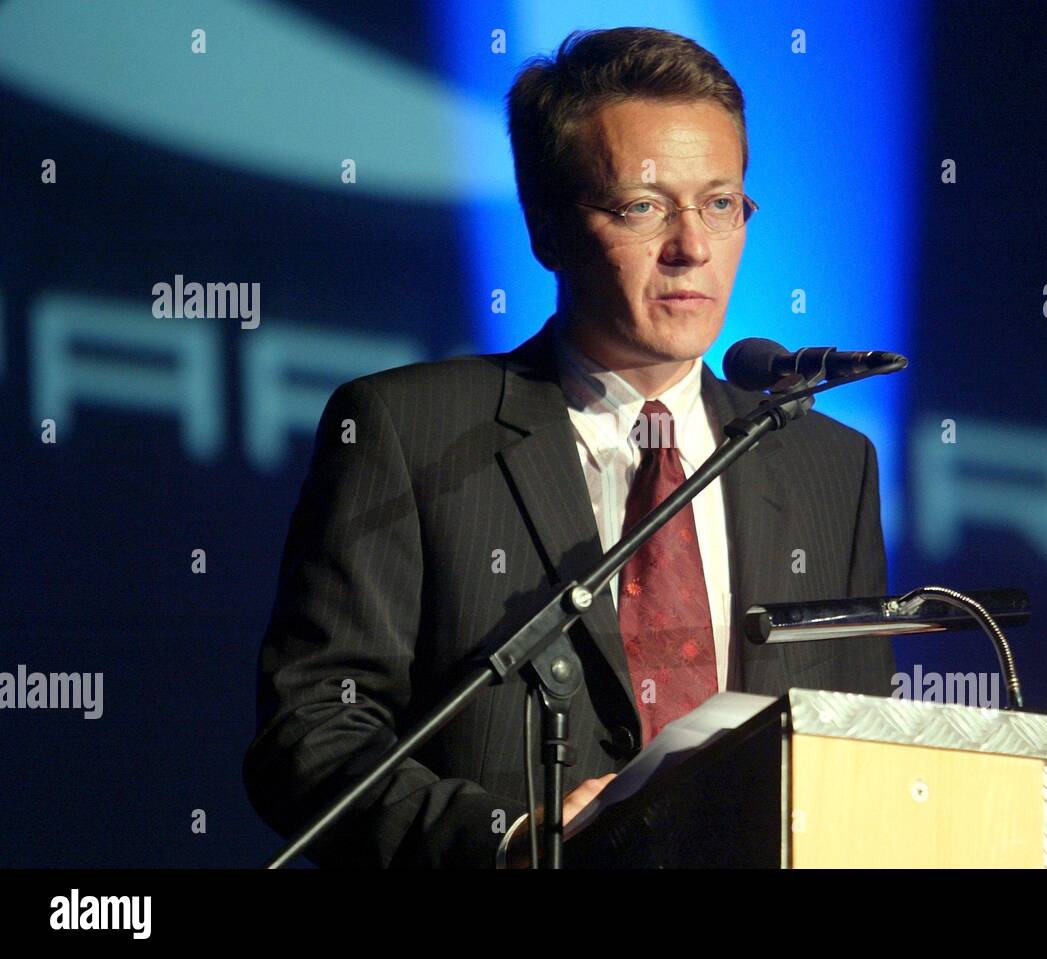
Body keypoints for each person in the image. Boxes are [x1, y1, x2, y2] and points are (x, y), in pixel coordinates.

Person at [243, 26, 894, 870]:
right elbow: (314, 729)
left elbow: (862, 748)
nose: (692, 245)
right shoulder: (410, 431)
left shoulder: (827, 466)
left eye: (721, 202)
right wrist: (508, 842)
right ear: (547, 228)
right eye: (644, 206)